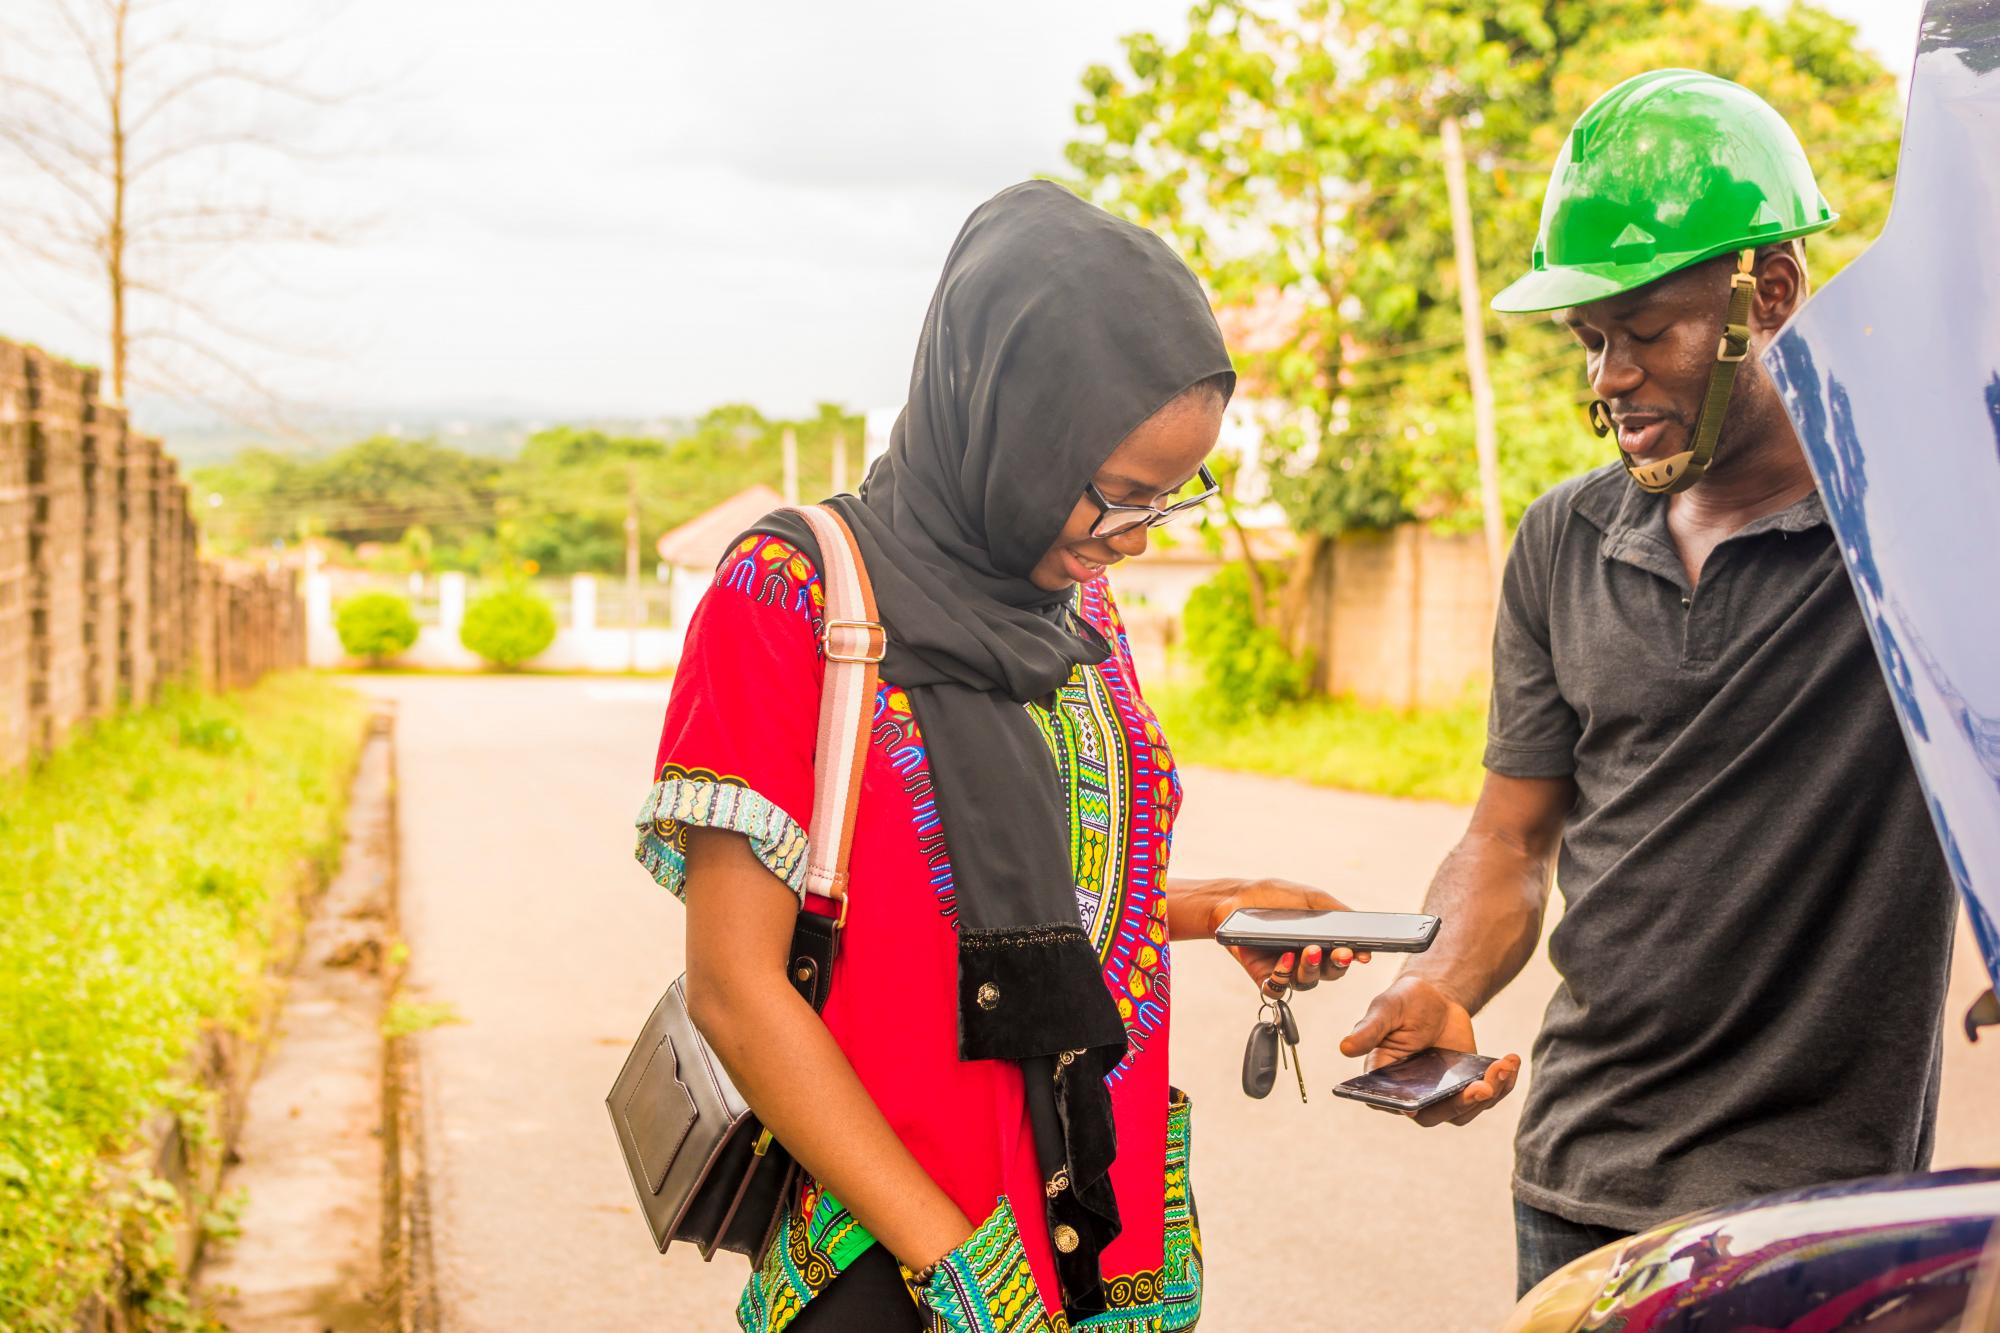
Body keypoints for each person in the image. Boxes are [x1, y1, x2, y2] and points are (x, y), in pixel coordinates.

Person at [635, 180, 1359, 1331]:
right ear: (1005, 426)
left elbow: (1000, 895)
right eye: (1116, 496)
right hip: (897, 1249)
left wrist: (1213, 910)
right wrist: (957, 1266)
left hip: (1095, 1222)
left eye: (1169, 500)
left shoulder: (1080, 609)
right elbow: (736, 985)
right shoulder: (790, 598)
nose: (1130, 537)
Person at [1338, 70, 1957, 1298]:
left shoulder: (1914, 528)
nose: (1606, 377)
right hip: (1576, 1185)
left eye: (1642, 329)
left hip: (1814, 1214)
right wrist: (1441, 978)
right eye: (1588, 340)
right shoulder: (1559, 541)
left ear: (1768, 292)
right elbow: (1510, 841)